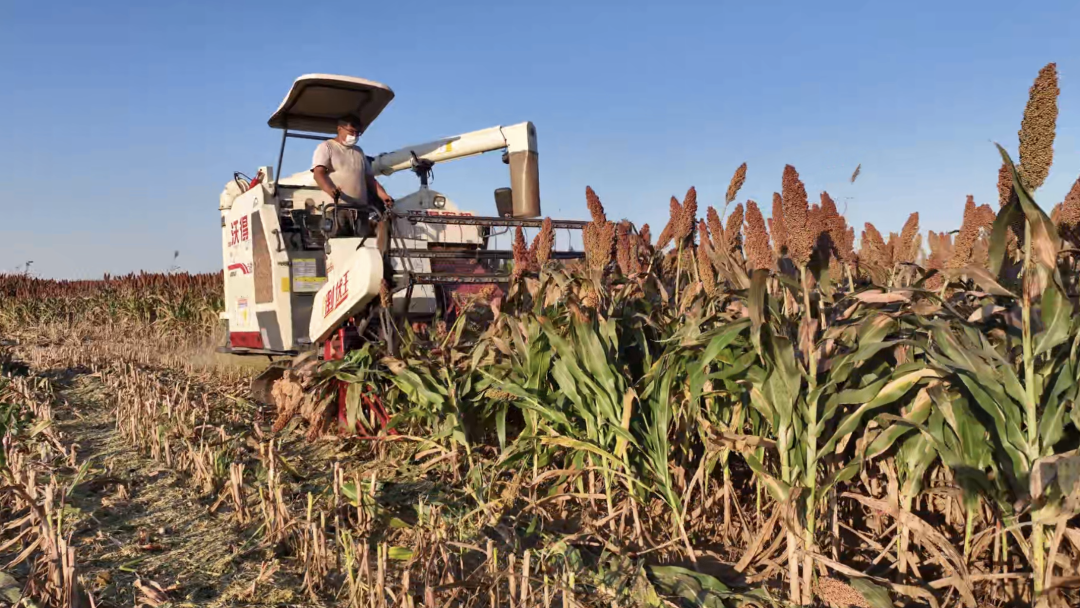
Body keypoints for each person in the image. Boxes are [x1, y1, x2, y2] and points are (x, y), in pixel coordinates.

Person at [311, 115, 394, 235]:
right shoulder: (326, 147)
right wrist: (331, 190)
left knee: (363, 243)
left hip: (361, 210)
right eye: (351, 132)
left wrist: (384, 196)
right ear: (340, 129)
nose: (354, 136)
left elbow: (369, 179)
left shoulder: (359, 152)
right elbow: (318, 174)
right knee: (339, 243)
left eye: (357, 133)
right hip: (337, 209)